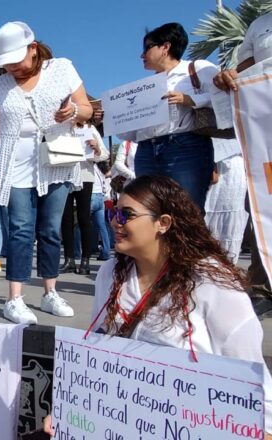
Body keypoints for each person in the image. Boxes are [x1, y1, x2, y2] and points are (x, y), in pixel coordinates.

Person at [90, 175, 272, 436]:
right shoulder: (110, 272)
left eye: (126, 215)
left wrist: (264, 430)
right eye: (113, 213)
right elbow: (96, 348)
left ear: (163, 223)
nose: (114, 223)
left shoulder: (210, 282)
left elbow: (250, 373)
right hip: (123, 420)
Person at [0, 21, 93, 324]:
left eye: (17, 60)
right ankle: (14, 298)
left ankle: (49, 292)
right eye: (7, 63)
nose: (12, 68)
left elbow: (87, 108)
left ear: (32, 48)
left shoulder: (62, 68)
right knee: (21, 230)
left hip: (55, 161)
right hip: (13, 163)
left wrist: (75, 112)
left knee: (50, 229)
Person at [119, 22, 217, 213]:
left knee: (187, 211)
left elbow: (224, 97)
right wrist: (114, 119)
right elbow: (131, 133)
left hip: (185, 147)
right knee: (151, 211)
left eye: (147, 48)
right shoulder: (144, 86)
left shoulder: (197, 69)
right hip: (146, 150)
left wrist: (190, 99)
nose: (142, 55)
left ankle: (189, 244)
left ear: (165, 47)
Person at [213, 11, 272, 316]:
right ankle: (263, 288)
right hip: (266, 135)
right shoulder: (259, 25)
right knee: (263, 204)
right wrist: (228, 76)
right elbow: (245, 71)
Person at [60, 123, 108, 275]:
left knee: (84, 217)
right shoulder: (60, 127)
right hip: (64, 174)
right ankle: (69, 259)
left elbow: (104, 154)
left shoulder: (88, 128)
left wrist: (97, 149)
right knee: (66, 218)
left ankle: (85, 260)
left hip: (84, 174)